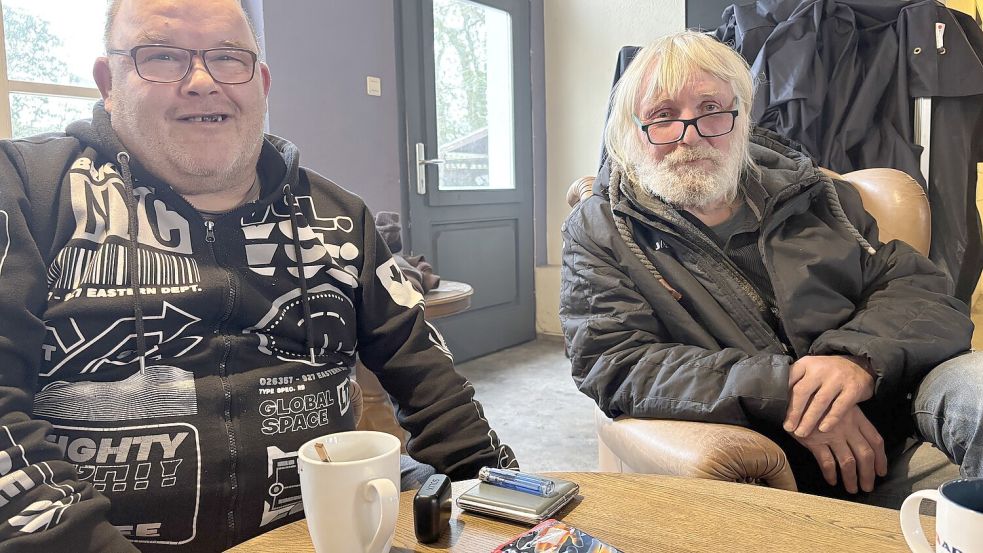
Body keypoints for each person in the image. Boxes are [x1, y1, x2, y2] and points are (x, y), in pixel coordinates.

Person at [0, 0, 517, 551]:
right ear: (109, 80)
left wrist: (512, 510)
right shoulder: (29, 193)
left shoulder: (342, 218)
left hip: (329, 531)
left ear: (262, 82)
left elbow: (433, 387)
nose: (201, 81)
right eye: (162, 56)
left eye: (227, 58)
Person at [560, 30, 982, 500]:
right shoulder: (601, 228)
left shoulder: (816, 194)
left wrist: (855, 359)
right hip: (772, 444)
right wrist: (788, 393)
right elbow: (614, 360)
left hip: (894, 396)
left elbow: (916, 286)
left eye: (711, 110)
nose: (691, 135)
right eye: (663, 116)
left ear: (742, 118)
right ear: (632, 132)